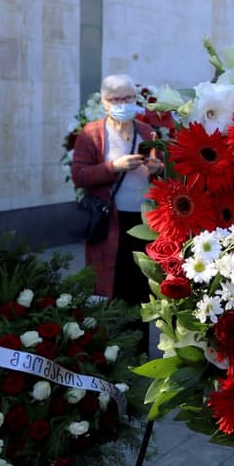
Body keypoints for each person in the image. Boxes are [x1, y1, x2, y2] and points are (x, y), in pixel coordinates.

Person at [70, 75, 164, 312]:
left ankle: (139, 346)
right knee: (110, 288)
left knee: (140, 289)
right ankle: (112, 346)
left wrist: (157, 169)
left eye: (128, 97)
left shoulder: (147, 131)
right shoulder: (91, 133)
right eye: (115, 99)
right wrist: (114, 167)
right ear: (104, 102)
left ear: (136, 98)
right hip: (109, 221)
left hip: (143, 221)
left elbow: (162, 172)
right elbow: (79, 176)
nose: (122, 103)